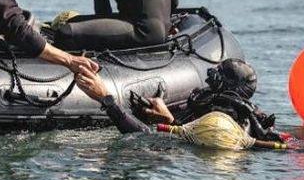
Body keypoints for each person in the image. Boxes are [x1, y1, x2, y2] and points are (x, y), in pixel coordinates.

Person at [76, 58, 282, 142]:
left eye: (218, 75)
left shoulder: (225, 116)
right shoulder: (209, 103)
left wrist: (106, 98)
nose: (209, 78)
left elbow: (147, 136)